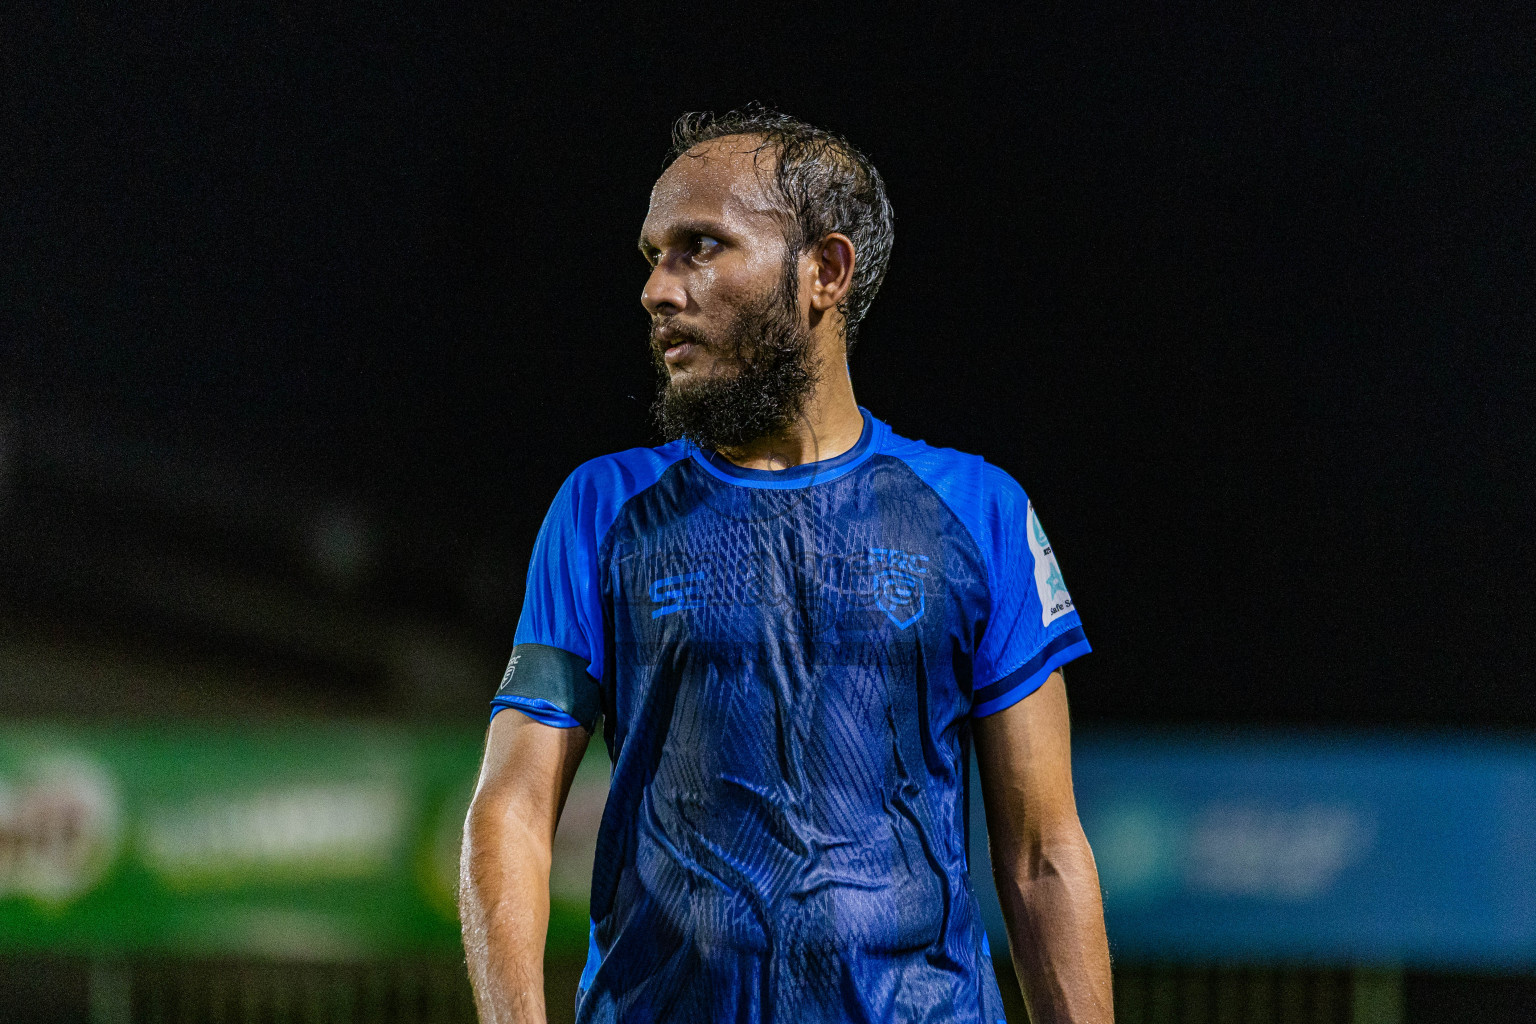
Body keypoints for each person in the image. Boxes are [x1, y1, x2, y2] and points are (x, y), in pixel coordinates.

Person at [460, 107, 1113, 1024]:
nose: (657, 290)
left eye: (700, 247)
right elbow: (513, 809)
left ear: (825, 271)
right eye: (653, 256)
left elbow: (1043, 854)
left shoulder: (981, 511)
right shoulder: (602, 509)